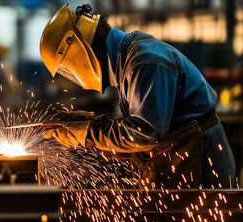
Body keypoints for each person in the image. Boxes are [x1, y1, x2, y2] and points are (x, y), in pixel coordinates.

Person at [39, 4, 236, 189]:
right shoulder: (129, 57)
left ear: (77, 53)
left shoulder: (143, 62)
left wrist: (88, 133)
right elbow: (137, 125)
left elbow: (143, 133)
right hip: (183, 153)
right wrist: (89, 123)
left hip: (201, 163)